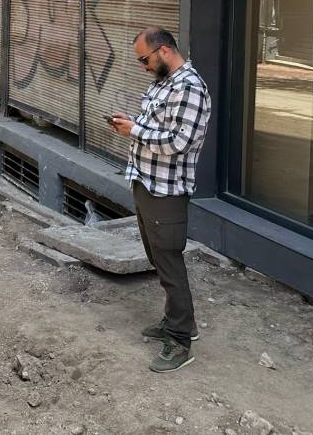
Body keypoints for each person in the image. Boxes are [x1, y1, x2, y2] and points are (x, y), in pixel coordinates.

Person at [108, 27, 211, 373]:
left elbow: (179, 142)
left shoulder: (190, 87)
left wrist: (135, 131)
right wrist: (132, 123)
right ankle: (179, 322)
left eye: (144, 59)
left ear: (164, 51)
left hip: (167, 190)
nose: (143, 66)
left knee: (169, 262)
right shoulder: (164, 83)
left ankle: (180, 342)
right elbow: (158, 127)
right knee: (158, 258)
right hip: (146, 182)